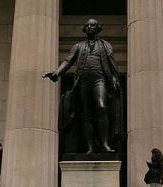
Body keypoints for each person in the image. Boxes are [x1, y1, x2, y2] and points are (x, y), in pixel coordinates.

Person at [44, 19, 122, 154]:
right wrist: (57, 72)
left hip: (99, 80)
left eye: (93, 25)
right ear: (85, 29)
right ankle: (90, 147)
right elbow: (68, 61)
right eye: (88, 25)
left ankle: (104, 144)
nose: (90, 27)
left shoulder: (105, 46)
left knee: (102, 107)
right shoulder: (78, 46)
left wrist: (114, 78)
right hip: (83, 82)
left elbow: (112, 64)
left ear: (98, 28)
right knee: (86, 114)